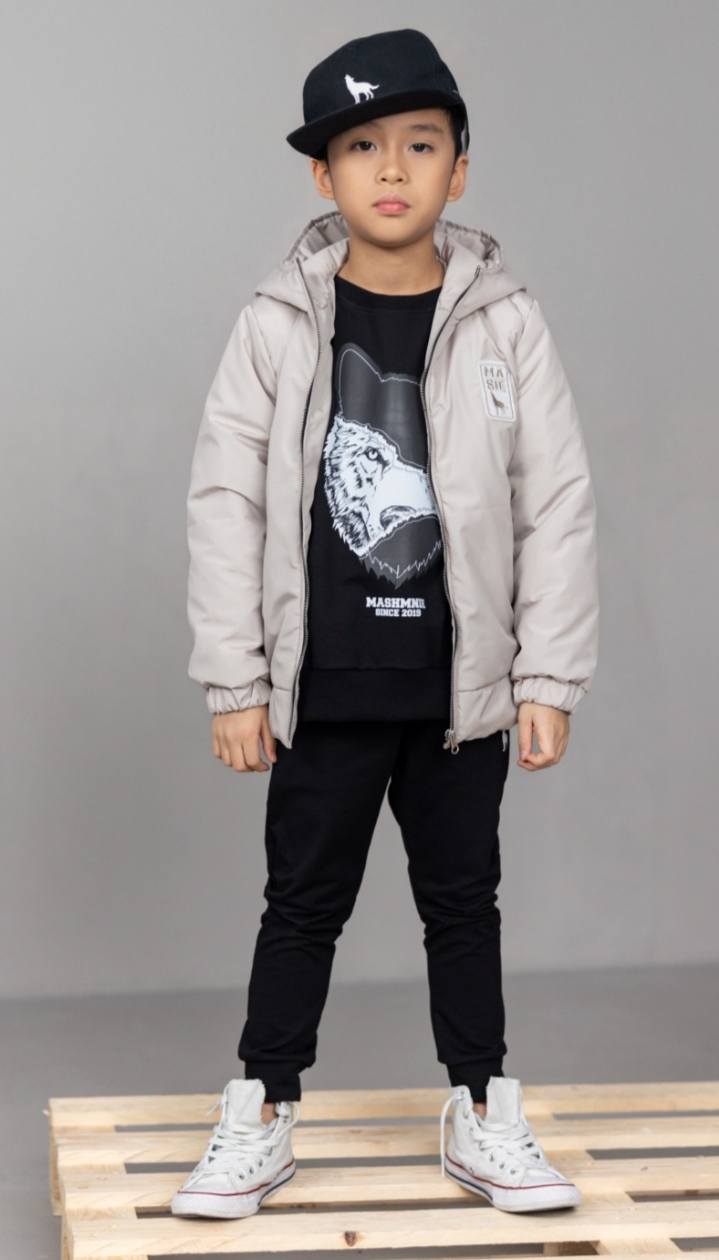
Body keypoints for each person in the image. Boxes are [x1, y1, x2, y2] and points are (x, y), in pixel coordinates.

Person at [173, 27, 599, 1221]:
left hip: (458, 689)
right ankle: (262, 1108)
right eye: (362, 147)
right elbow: (225, 499)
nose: (393, 168)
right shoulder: (277, 322)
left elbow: (554, 501)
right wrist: (234, 682)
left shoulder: (506, 323)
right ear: (324, 175)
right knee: (300, 902)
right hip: (325, 683)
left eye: (420, 143)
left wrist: (547, 678)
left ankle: (482, 1106)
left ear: (459, 166)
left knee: (462, 902)